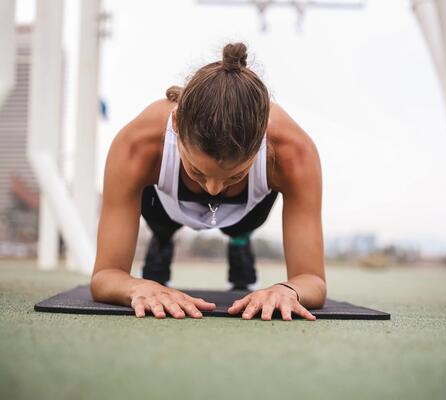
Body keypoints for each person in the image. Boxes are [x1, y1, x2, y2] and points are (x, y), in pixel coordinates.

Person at [90, 42, 325, 321]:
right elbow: (104, 276)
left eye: (236, 175)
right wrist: (136, 286)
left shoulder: (294, 153)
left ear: (263, 138)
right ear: (176, 124)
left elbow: (312, 279)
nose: (213, 189)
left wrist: (288, 289)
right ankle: (163, 239)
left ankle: (240, 240)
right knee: (161, 226)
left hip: (246, 214)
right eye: (197, 171)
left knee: (242, 227)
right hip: (163, 207)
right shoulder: (137, 145)